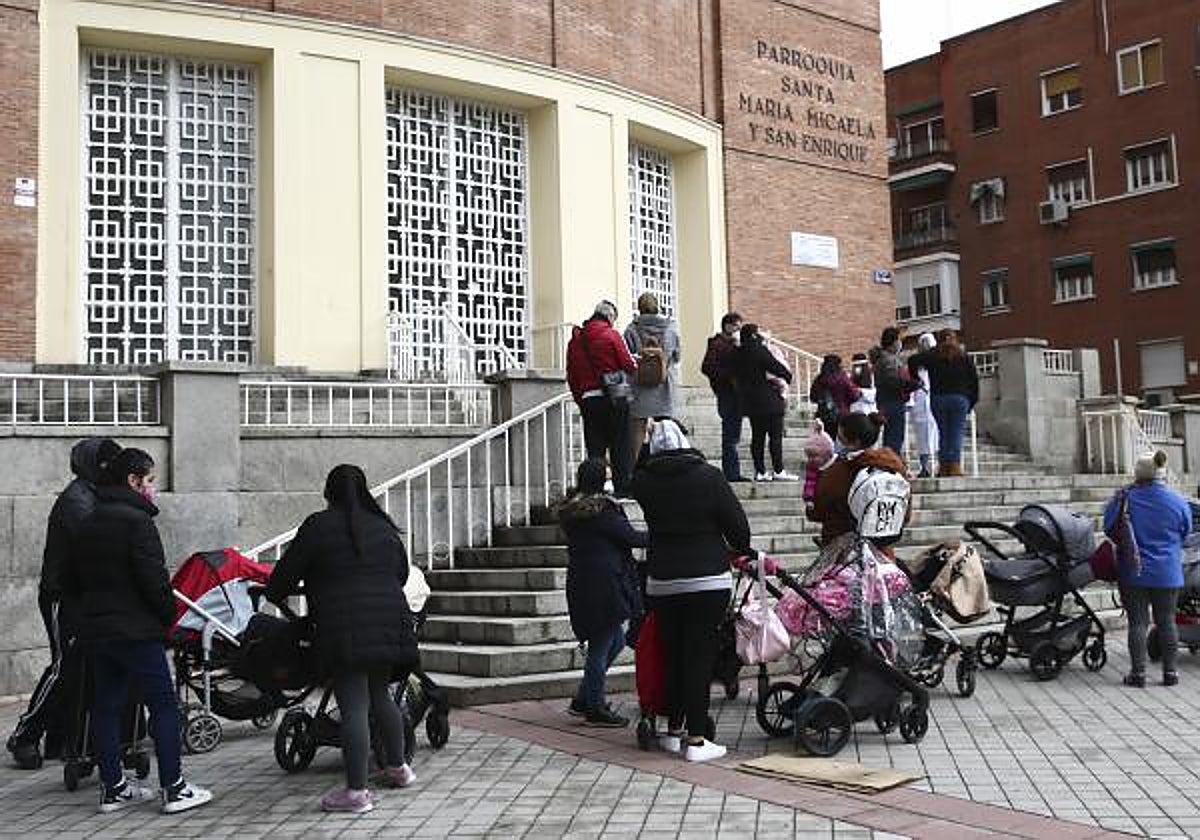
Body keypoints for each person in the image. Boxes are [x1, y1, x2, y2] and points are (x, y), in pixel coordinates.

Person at [61, 448, 212, 815]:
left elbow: (71, 581)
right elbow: (155, 582)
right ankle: (173, 788)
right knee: (162, 704)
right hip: (136, 630)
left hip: (99, 630)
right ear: (133, 481)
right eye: (150, 480)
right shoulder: (137, 523)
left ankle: (113, 788)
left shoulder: (88, 522)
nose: (152, 489)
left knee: (106, 707)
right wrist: (166, 620)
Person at [266, 464, 418, 814]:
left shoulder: (318, 526)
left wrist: (290, 599)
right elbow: (401, 573)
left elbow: (282, 579)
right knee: (381, 695)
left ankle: (356, 792)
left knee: (353, 705)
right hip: (389, 622)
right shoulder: (383, 527)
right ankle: (398, 768)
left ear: (327, 493)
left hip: (344, 627)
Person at [630, 419, 751, 762]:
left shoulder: (643, 482)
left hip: (662, 577)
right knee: (698, 655)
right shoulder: (709, 477)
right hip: (707, 577)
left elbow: (635, 471)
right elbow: (738, 528)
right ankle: (697, 739)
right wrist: (739, 547)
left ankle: (673, 728)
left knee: (672, 652)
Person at [7, 437, 121, 770]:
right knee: (64, 667)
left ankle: (60, 737)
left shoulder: (94, 495)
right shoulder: (77, 501)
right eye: (107, 464)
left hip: (85, 595)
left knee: (81, 666)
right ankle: (25, 735)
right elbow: (95, 544)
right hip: (63, 596)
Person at [559, 459, 649, 726]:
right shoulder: (603, 511)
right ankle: (595, 707)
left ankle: (584, 698)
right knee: (601, 646)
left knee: (616, 641)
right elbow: (631, 538)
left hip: (583, 580)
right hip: (605, 583)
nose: (611, 481)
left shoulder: (575, 510)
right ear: (600, 480)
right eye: (608, 476)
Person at [1106, 451, 1192, 688]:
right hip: (1168, 571)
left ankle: (1138, 674)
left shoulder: (1125, 498)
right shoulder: (1177, 500)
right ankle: (1170, 673)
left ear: (1138, 474)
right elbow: (1185, 531)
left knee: (1138, 623)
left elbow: (1108, 527)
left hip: (1134, 570)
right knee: (1167, 621)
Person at [566, 300, 638, 495]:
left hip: (589, 399)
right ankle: (622, 488)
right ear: (610, 317)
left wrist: (581, 400)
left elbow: (571, 375)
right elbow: (628, 364)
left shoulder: (575, 341)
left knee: (595, 448)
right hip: (614, 398)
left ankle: (593, 491)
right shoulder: (611, 335)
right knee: (620, 444)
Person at [810, 413, 909, 546]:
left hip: (842, 550)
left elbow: (820, 510)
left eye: (840, 437)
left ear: (854, 441)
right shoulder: (894, 465)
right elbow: (905, 513)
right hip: (882, 551)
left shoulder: (839, 470)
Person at [906, 330, 979, 478]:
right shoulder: (963, 356)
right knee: (956, 433)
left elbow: (912, 360)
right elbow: (974, 381)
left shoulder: (933, 355)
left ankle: (943, 467)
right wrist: (971, 402)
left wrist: (917, 379)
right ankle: (954, 467)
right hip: (960, 399)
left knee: (943, 433)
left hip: (938, 399)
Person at [731, 323, 798, 482]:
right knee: (775, 436)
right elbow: (776, 367)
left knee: (757, 437)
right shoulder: (758, 349)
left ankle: (760, 471)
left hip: (750, 402)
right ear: (755, 335)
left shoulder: (737, 353)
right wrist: (787, 377)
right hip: (769, 400)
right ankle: (778, 470)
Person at [624, 292, 681, 469]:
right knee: (665, 427)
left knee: (637, 430)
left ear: (639, 307)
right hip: (664, 385)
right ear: (657, 306)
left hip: (640, 385)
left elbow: (627, 356)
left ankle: (635, 469)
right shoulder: (670, 328)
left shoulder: (632, 329)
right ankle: (668, 465)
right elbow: (677, 356)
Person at [701, 312, 745, 482]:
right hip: (727, 392)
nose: (738, 330)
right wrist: (729, 376)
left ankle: (733, 472)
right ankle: (731, 473)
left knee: (734, 434)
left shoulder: (735, 344)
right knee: (730, 435)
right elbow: (707, 367)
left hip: (736, 393)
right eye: (736, 326)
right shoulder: (718, 344)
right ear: (727, 326)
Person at [910, 332, 940, 478]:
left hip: (935, 404)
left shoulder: (939, 363)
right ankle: (924, 468)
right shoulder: (915, 364)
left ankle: (939, 466)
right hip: (920, 405)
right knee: (922, 437)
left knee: (936, 437)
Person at [809, 354, 861, 439]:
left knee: (826, 440)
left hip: (824, 415)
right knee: (841, 441)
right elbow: (854, 395)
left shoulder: (819, 379)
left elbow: (813, 397)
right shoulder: (843, 378)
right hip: (842, 414)